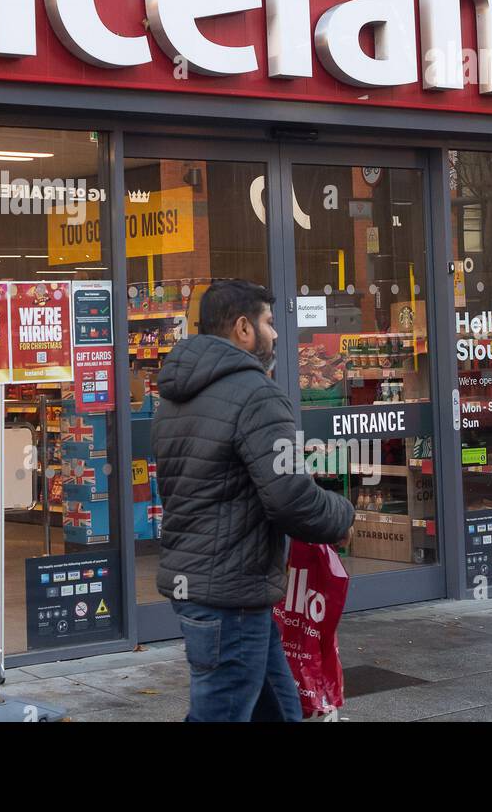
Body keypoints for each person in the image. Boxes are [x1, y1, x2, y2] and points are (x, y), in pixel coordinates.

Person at [154, 278, 354, 722]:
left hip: (205, 585)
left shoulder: (174, 397)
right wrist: (342, 516)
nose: (277, 333)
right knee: (221, 712)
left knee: (280, 709)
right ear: (243, 328)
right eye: (269, 322)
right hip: (231, 593)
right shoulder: (256, 394)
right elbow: (290, 497)